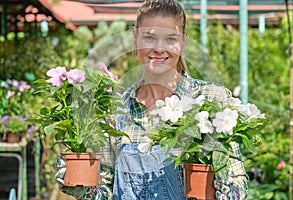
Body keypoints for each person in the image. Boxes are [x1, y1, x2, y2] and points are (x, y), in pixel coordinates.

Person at [56, 0, 248, 199]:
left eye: (170, 39)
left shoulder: (209, 99)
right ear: (134, 38)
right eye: (149, 37)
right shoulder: (117, 110)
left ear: (183, 42)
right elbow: (104, 190)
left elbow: (237, 183)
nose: (159, 48)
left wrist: (223, 190)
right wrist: (79, 184)